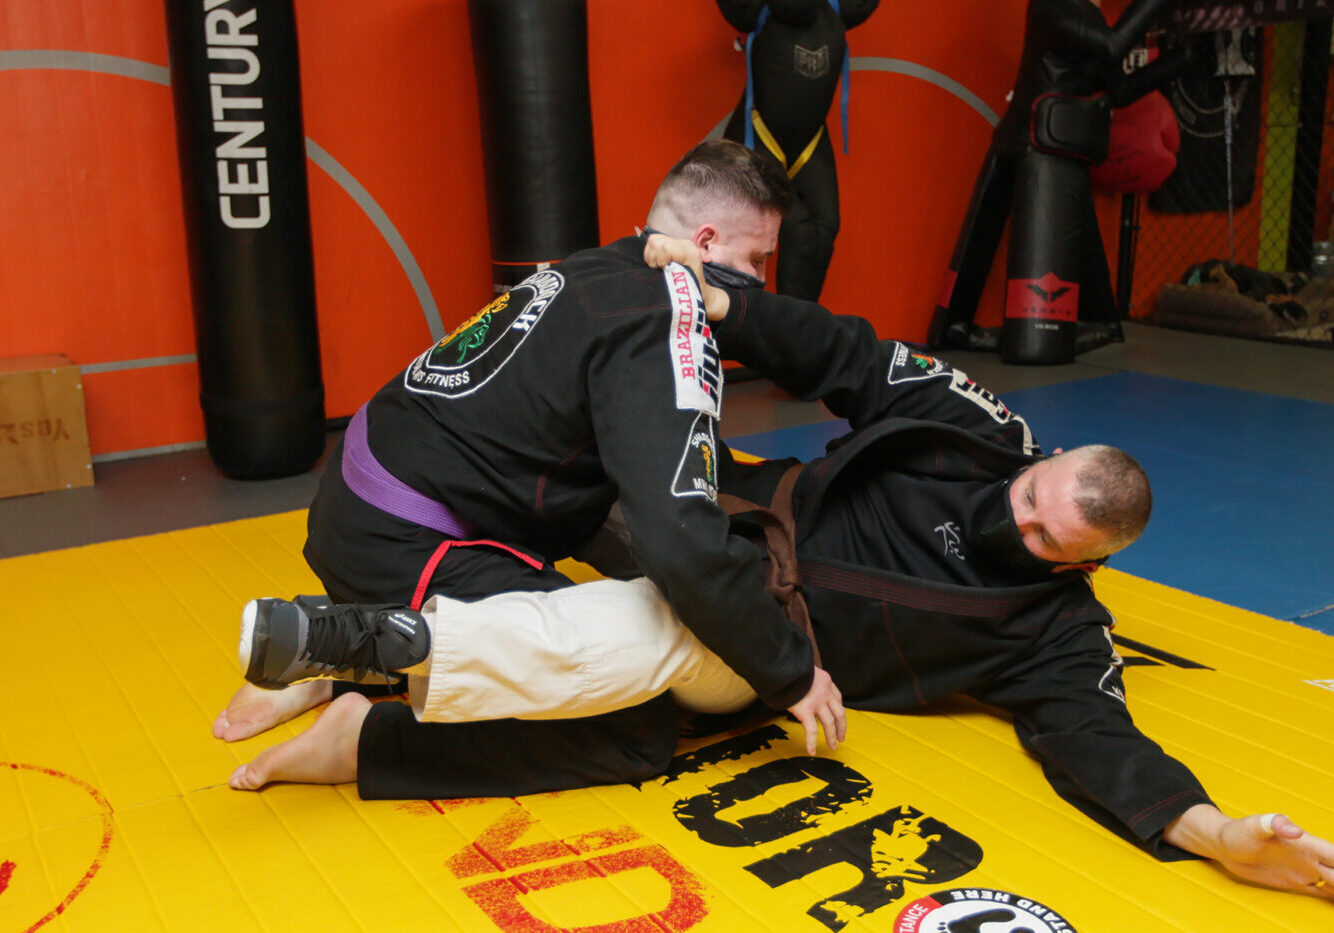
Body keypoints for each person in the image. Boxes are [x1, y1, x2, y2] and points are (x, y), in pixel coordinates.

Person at [218, 237, 1334, 899]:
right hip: (730, 517)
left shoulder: (1053, 636)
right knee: (587, 509)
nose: (1024, 525)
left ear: (1086, 568)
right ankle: (364, 656)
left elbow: (1102, 743)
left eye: (1052, 544)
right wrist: (724, 302)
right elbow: (845, 353)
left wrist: (1215, 834)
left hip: (757, 651)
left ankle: (366, 700)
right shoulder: (976, 427)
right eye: (1031, 499)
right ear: (1038, 458)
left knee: (637, 717)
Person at [213, 139, 849, 800]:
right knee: (636, 721)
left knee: (628, 563)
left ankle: (350, 653)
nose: (760, 283)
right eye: (756, 261)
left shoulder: (599, 268)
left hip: (360, 492)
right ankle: (369, 732)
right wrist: (790, 671)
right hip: (405, 538)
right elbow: (681, 540)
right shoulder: (660, 320)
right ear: (708, 242)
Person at [717, 0, 880, 300]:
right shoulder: (755, 9)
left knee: (819, 233)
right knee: (758, 237)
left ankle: (799, 337)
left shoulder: (840, 6)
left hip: (810, 142)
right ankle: (737, 333)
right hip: (759, 138)